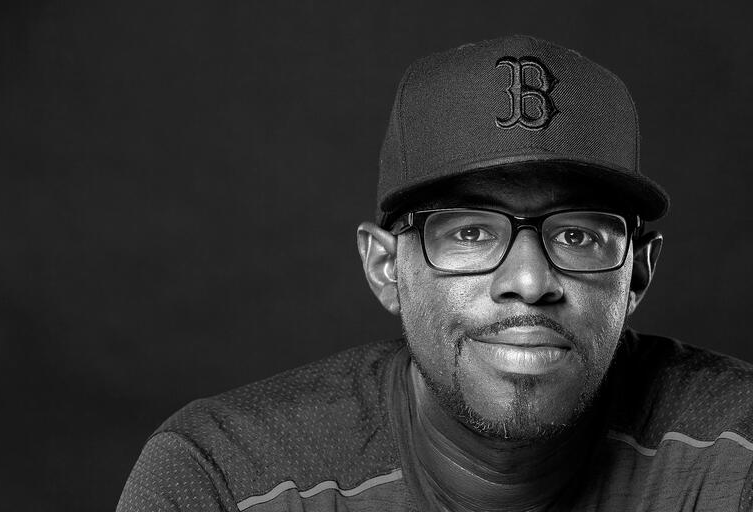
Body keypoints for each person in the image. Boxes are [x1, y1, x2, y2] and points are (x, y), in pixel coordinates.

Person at [116, 35, 753, 511]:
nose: (530, 282)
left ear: (637, 274)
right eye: (470, 233)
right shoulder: (226, 479)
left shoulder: (736, 454)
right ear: (386, 267)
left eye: (576, 235)